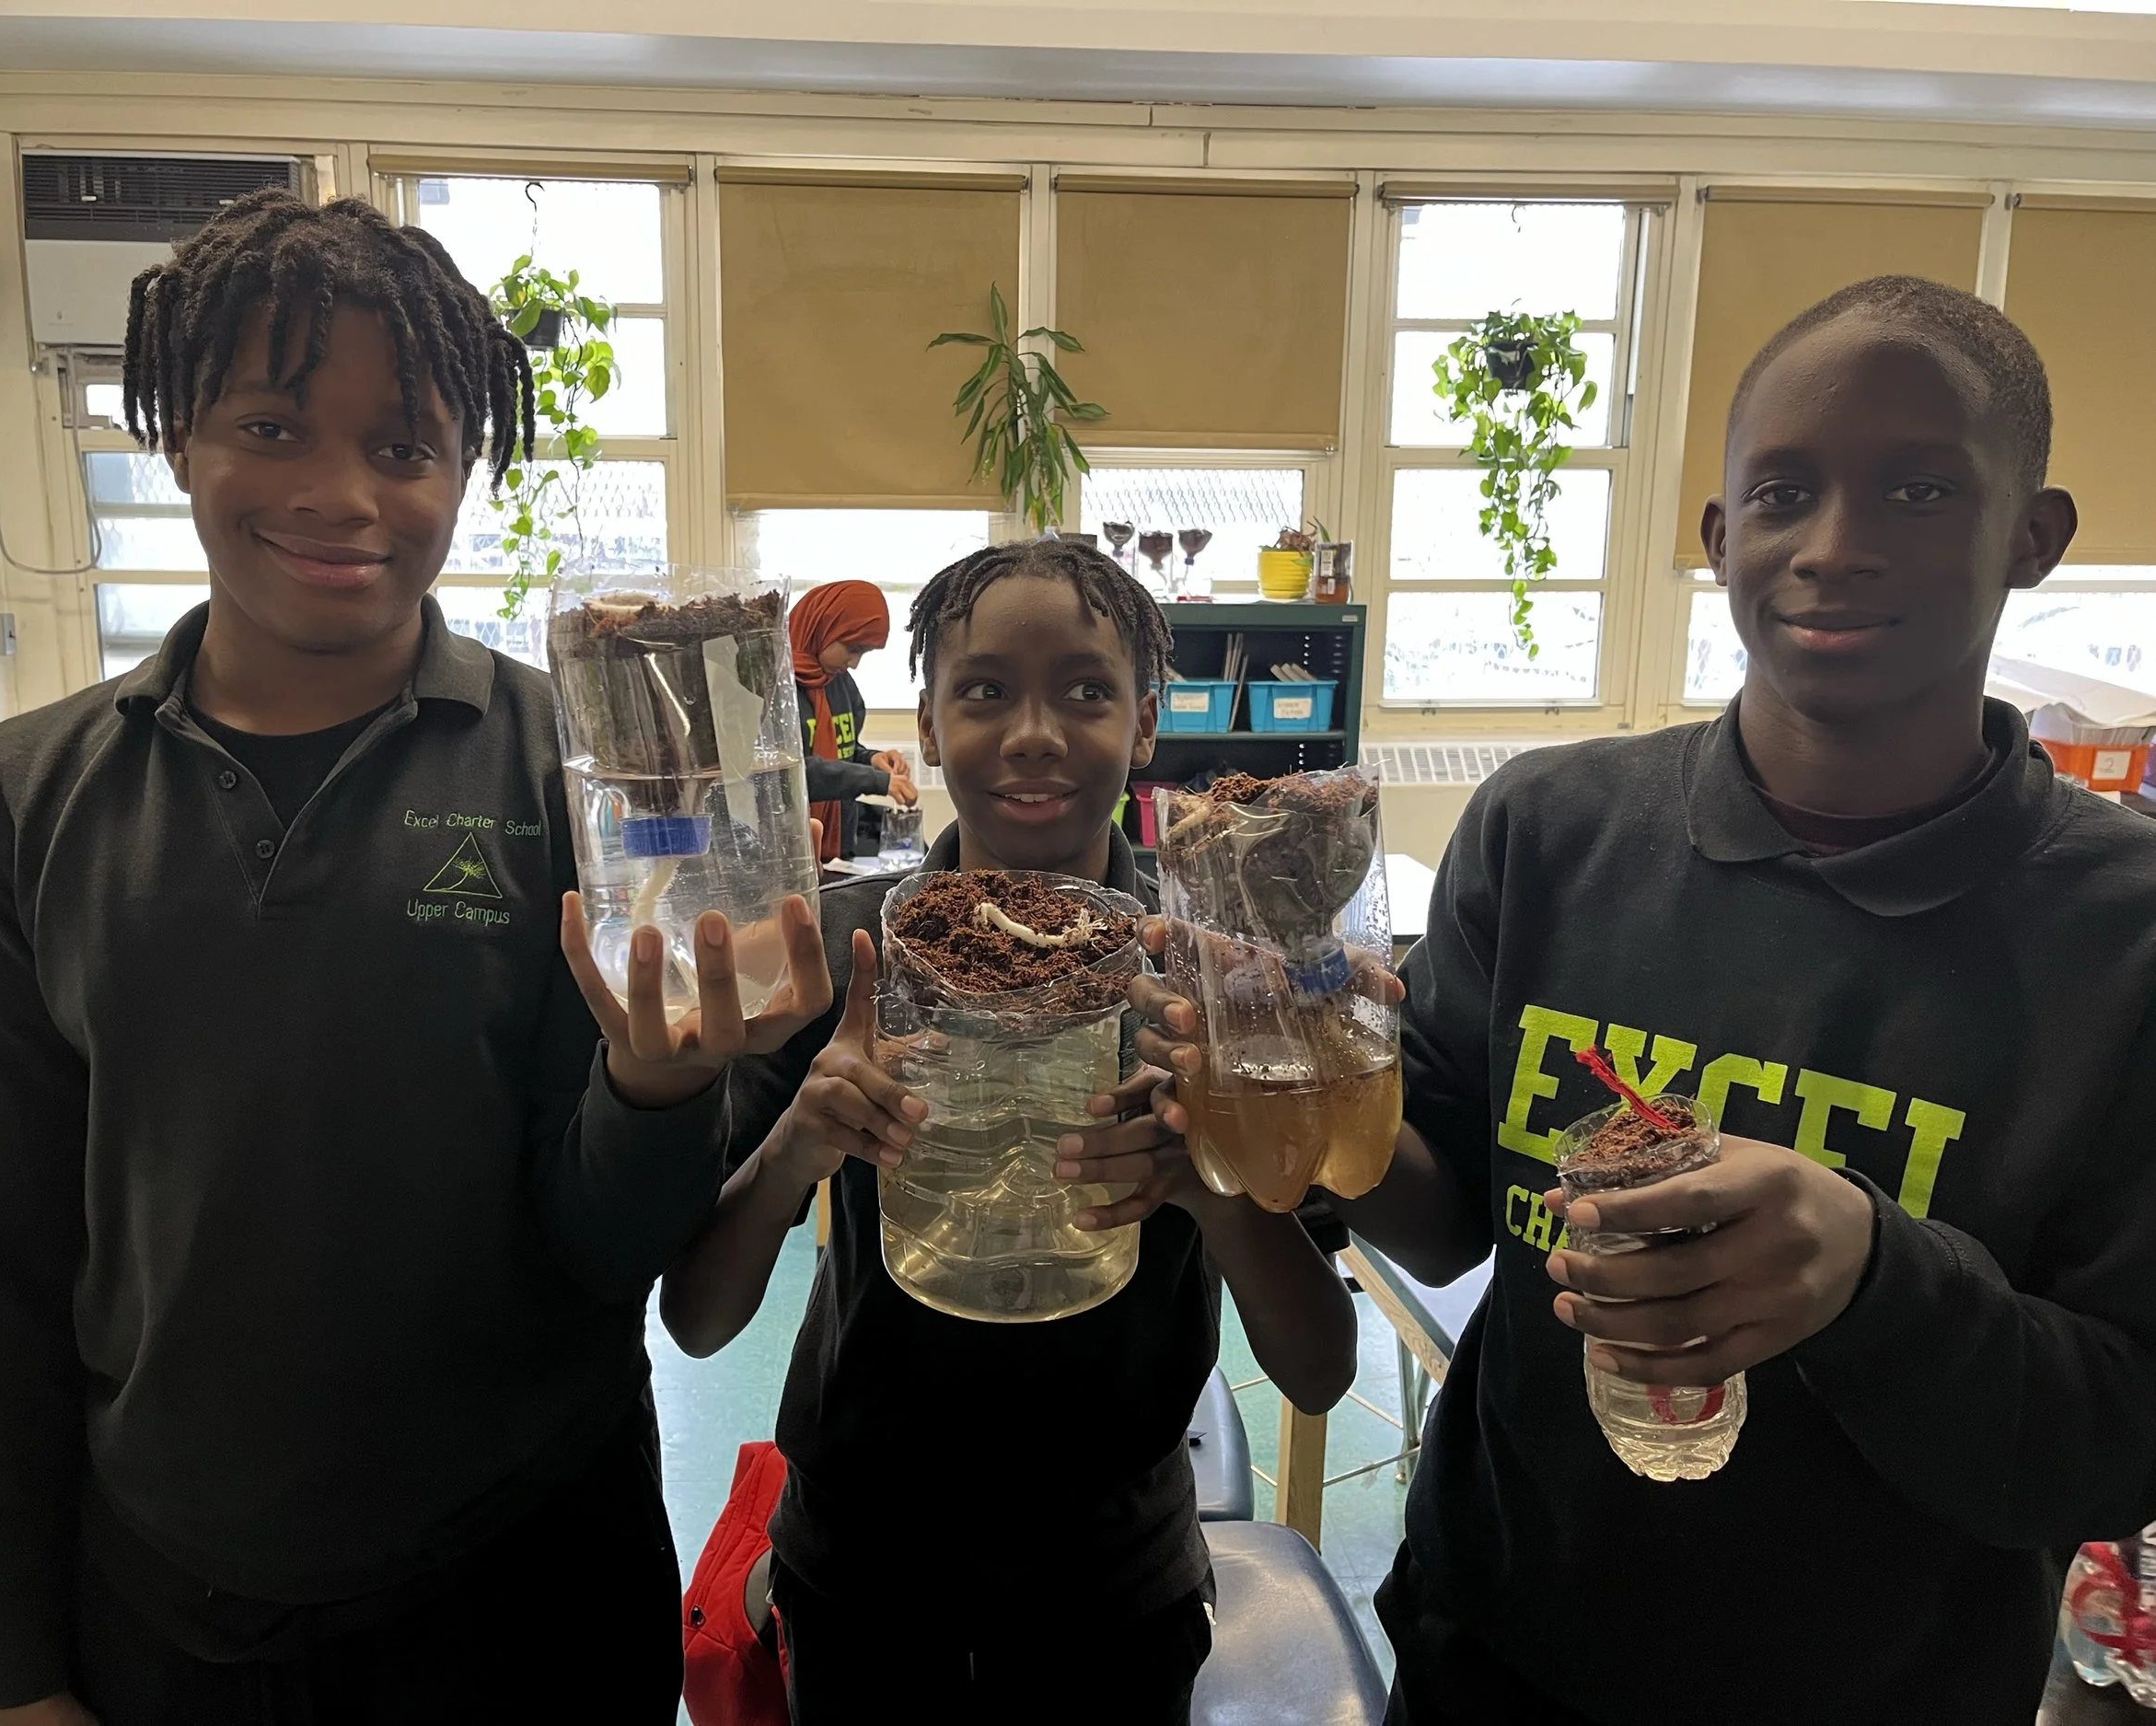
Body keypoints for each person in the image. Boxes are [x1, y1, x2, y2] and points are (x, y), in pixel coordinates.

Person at [1133, 275, 2156, 1725]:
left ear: (2035, 534)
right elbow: (1441, 1208)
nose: (1838, 547)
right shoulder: (1551, 829)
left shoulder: (2123, 941)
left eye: (1921, 489)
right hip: (1498, 1648)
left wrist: (1871, 1275)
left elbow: (2119, 1438)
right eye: (1787, 492)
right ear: (1722, 536)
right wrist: (1313, 1079)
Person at [0, 191, 829, 1726]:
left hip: (528, 1580)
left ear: (463, 470)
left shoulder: (581, 781)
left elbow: (609, 1259)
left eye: (402, 447)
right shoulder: (15, 811)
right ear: (177, 437)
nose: (340, 493)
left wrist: (659, 1087)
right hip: (168, 1600)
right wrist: (10, 1670)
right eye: (272, 427)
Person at [659, 539, 1359, 1725]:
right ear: (924, 725)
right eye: (983, 690)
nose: (1033, 731)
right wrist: (798, 1148)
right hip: (861, 1572)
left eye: (1086, 691)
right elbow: (699, 1316)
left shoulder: (1218, 986)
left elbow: (1318, 1365)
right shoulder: (839, 957)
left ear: (1145, 724)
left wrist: (1210, 1186)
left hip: (1113, 1586)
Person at [789, 578, 917, 863]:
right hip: (790, 846)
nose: (855, 662)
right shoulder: (775, 688)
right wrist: (876, 780)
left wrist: (871, 759)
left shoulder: (839, 683)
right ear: (823, 629)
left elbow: (840, 751)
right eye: (853, 648)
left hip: (838, 838)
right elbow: (793, 772)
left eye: (864, 653)